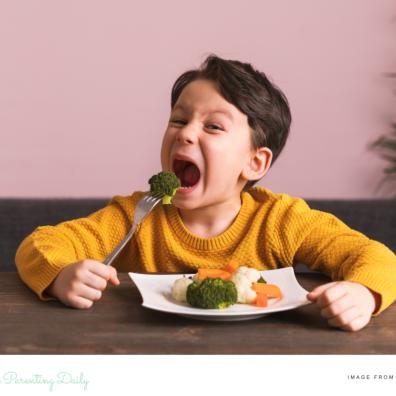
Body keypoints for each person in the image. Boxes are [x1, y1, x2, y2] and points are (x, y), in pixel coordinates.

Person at [15, 54, 396, 332]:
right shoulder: (137, 215)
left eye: (213, 127)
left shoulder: (282, 221)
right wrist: (61, 275)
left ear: (255, 164)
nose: (185, 133)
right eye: (178, 120)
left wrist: (363, 293)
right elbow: (41, 244)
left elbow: (376, 257)